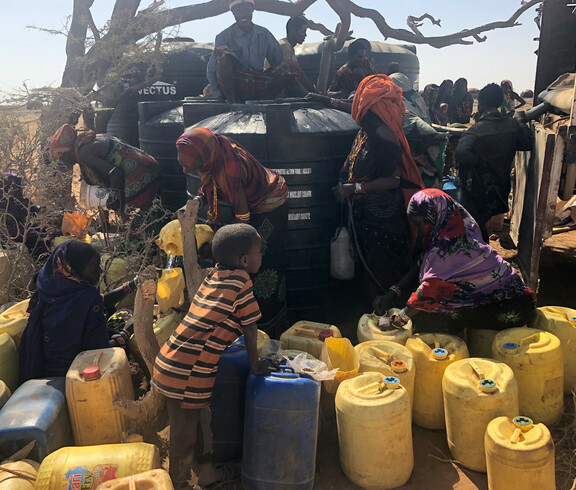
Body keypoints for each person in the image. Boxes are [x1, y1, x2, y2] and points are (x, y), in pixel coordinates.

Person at [151, 223, 274, 489]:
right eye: (258, 252)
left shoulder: (214, 275)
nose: (261, 257)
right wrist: (255, 364)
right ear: (244, 260)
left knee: (199, 422)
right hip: (188, 369)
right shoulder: (242, 281)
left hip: (175, 358)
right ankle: (179, 482)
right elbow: (250, 327)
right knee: (184, 432)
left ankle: (205, 474)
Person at [311, 75, 424, 299]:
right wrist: (328, 101)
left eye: (362, 104)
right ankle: (373, 305)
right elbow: (354, 109)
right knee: (369, 262)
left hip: (383, 217)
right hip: (368, 214)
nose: (358, 109)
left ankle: (388, 308)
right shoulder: (369, 128)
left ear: (371, 108)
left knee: (382, 263)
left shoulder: (383, 135)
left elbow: (394, 180)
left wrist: (354, 189)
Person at [374, 189, 536, 334]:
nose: (418, 230)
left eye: (420, 224)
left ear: (433, 216)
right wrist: (393, 292)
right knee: (430, 309)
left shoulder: (451, 246)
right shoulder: (454, 231)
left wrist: (396, 322)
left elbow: (430, 289)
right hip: (503, 300)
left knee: (432, 317)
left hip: (511, 308)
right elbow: (421, 263)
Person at [176, 128, 288, 337]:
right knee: (245, 263)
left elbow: (243, 217)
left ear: (204, 158)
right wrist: (199, 201)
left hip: (269, 204)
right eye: (182, 165)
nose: (185, 171)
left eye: (190, 166)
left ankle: (265, 329)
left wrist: (232, 248)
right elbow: (211, 185)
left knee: (258, 264)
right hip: (252, 200)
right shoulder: (214, 149)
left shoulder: (228, 170)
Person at [18, 240, 137, 383]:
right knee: (125, 315)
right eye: (94, 269)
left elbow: (101, 300)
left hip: (39, 368)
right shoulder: (87, 298)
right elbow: (99, 351)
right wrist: (126, 333)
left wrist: (132, 285)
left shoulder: (50, 287)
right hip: (76, 374)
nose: (100, 271)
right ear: (75, 271)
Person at [456, 83, 533, 241]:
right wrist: (521, 121)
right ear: (500, 102)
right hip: (501, 185)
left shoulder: (476, 130)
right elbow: (526, 144)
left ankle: (479, 256)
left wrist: (480, 161)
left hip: (480, 187)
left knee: (475, 225)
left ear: (482, 103)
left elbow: (461, 153)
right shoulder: (512, 125)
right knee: (487, 222)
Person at [49, 124, 161, 221]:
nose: (64, 163)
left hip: (139, 171)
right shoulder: (89, 140)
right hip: (146, 165)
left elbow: (115, 173)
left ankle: (142, 244)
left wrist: (113, 197)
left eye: (62, 157)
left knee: (133, 218)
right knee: (150, 213)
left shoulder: (84, 153)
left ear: (68, 151)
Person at [206, 0, 306, 103]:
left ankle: (265, 100)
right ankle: (234, 103)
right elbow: (211, 71)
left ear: (252, 10)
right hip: (236, 84)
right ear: (233, 13)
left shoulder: (264, 34)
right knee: (222, 52)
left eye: (246, 10)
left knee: (291, 65)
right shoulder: (223, 37)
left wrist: (301, 87)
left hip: (258, 83)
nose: (243, 14)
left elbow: (280, 62)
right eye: (238, 11)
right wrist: (220, 99)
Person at [275, 16, 316, 93]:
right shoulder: (285, 46)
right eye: (303, 31)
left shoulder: (290, 47)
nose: (305, 35)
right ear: (293, 32)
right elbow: (291, 77)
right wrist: (311, 92)